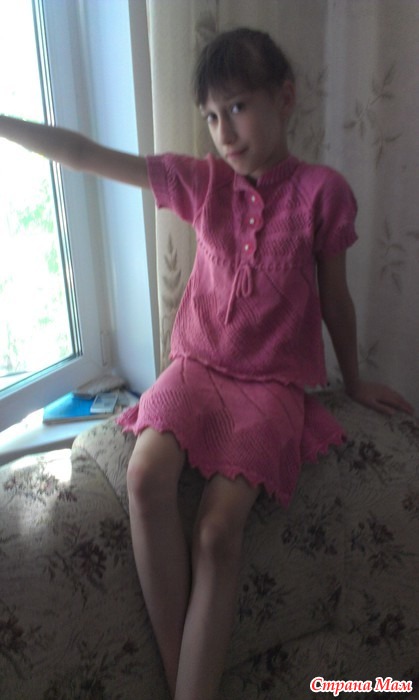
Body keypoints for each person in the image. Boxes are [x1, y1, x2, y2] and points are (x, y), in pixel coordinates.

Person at [0, 27, 413, 700]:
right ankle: (183, 681)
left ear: (284, 98)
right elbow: (88, 155)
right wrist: (5, 125)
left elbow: (334, 298)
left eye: (238, 107)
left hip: (272, 387)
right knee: (144, 477)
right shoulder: (202, 184)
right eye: (212, 116)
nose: (224, 130)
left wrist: (355, 378)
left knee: (218, 531)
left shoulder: (322, 193)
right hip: (195, 368)